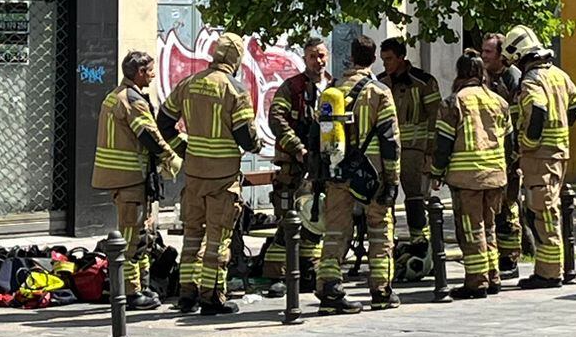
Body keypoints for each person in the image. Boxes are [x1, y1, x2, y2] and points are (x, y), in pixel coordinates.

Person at [159, 34, 259, 315]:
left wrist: (184, 149)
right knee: (217, 238)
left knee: (192, 235)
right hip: (223, 177)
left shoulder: (189, 83)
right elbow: (245, 136)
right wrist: (257, 144)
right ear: (236, 59)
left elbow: (163, 121)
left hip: (194, 174)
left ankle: (187, 295)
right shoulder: (234, 89)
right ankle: (212, 297)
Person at [90, 50, 182, 310]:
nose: (153, 75)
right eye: (150, 71)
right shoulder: (133, 100)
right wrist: (171, 157)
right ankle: (130, 293)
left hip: (125, 178)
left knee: (141, 234)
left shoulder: (117, 95)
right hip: (131, 177)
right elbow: (149, 135)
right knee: (132, 236)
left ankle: (142, 286)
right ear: (140, 72)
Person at [316, 36, 402, 312]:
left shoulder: (332, 89)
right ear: (373, 59)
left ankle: (329, 291)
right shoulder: (379, 92)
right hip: (372, 172)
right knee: (379, 228)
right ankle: (381, 292)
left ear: (351, 57)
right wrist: (392, 180)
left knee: (335, 230)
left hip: (337, 169)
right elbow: (390, 139)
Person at [509, 25, 576, 290]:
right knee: (548, 210)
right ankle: (551, 269)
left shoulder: (532, 80)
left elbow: (537, 109)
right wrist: (562, 127)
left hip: (540, 157)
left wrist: (528, 143)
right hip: (559, 153)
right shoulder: (559, 75)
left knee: (542, 213)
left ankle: (549, 273)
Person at [433, 50, 512, 298]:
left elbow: (443, 143)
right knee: (489, 227)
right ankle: (493, 276)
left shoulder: (453, 102)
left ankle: (477, 282)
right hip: (496, 176)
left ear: (460, 73)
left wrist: (436, 172)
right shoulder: (499, 101)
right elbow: (509, 143)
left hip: (467, 179)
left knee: (471, 230)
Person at [262, 37, 330, 295]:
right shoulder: (292, 87)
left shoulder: (334, 88)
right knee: (288, 218)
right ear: (305, 58)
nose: (318, 61)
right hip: (294, 165)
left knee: (315, 218)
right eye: (313, 56)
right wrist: (297, 148)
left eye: (321, 55)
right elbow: (276, 118)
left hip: (322, 166)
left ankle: (309, 270)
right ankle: (278, 274)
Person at [379, 35, 442, 239]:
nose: (385, 64)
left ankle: (420, 241)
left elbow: (435, 119)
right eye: (383, 59)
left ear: (401, 58)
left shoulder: (424, 82)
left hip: (415, 151)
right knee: (385, 197)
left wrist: (430, 154)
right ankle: (389, 241)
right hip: (387, 151)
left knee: (416, 198)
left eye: (389, 59)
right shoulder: (380, 83)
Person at [480, 31, 525, 280]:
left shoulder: (513, 77)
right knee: (494, 209)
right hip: (492, 152)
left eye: (488, 51)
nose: (484, 55)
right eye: (483, 51)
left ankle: (510, 259)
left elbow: (517, 121)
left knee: (508, 207)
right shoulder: (484, 76)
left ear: (501, 54)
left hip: (509, 154)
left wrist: (514, 156)